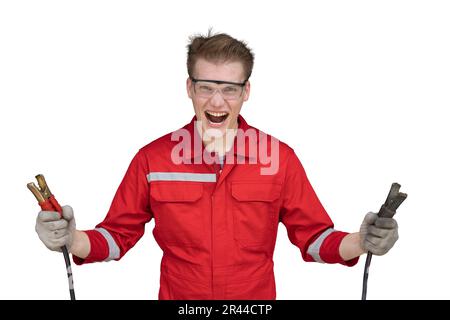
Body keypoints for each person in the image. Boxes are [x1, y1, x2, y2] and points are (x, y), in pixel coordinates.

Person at [35, 31, 399, 299]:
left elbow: (315, 239)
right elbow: (115, 237)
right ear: (189, 88)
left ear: (246, 92)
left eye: (229, 89)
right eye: (207, 86)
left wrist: (362, 242)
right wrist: (71, 239)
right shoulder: (153, 159)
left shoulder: (278, 159)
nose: (217, 100)